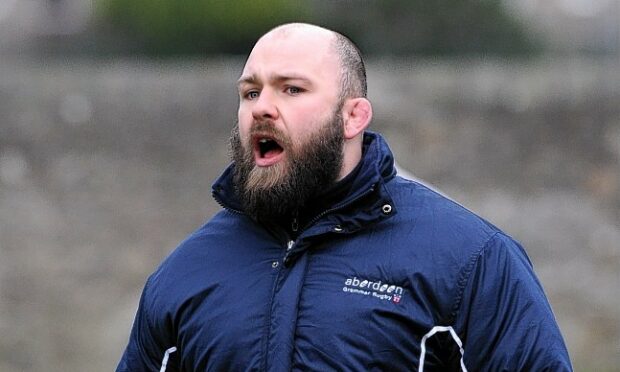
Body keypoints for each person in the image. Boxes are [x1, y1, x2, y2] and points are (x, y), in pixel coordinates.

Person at [117, 23, 572, 371]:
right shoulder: (184, 273)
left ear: (353, 116)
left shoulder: (471, 260)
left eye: (292, 89)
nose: (261, 107)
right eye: (250, 92)